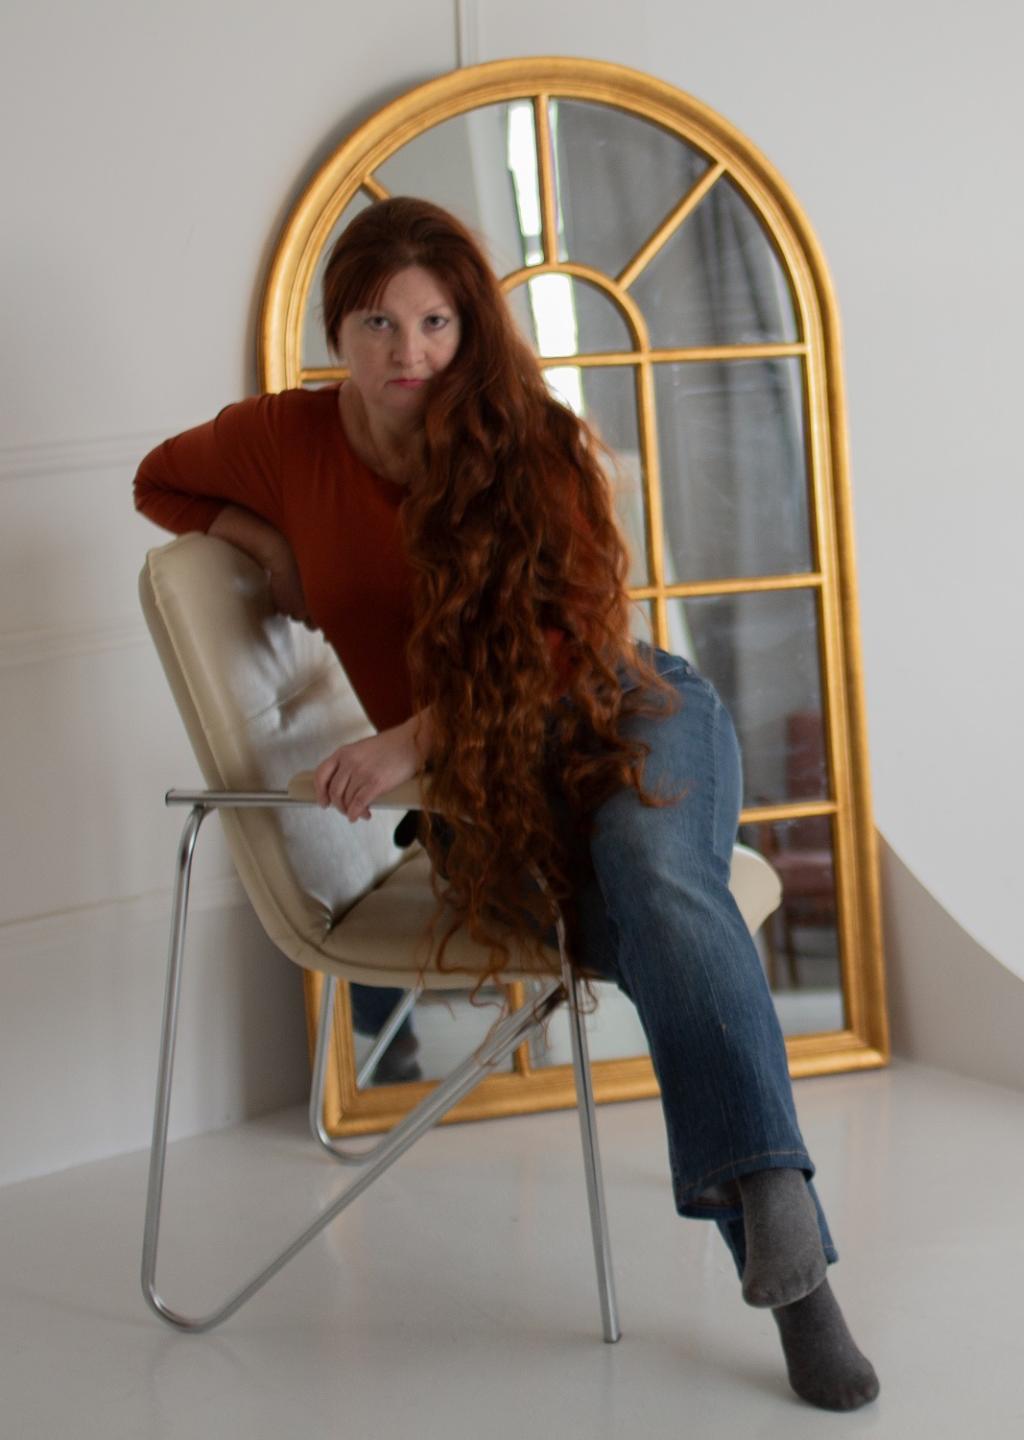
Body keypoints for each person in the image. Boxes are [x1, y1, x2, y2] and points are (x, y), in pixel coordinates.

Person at [131, 197, 879, 1412]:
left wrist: (408, 742)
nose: (408, 352)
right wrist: (262, 542)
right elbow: (158, 480)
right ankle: (772, 1202)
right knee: (647, 909)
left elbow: (569, 645)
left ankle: (792, 1265)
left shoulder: (528, 438)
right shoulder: (284, 438)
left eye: (434, 321)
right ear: (338, 329)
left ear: (469, 324)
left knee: (655, 871)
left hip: (630, 715)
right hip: (494, 801)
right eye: (378, 324)